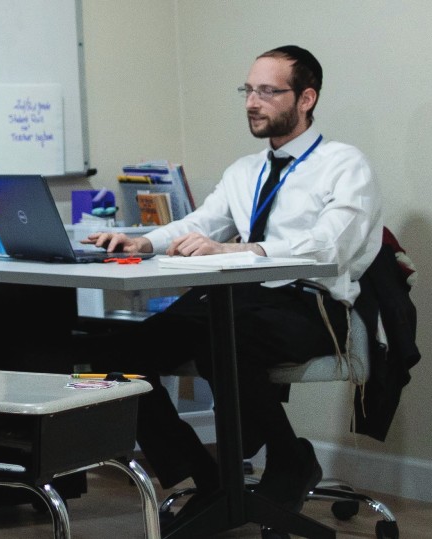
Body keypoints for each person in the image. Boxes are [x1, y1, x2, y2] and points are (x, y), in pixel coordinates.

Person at [84, 45, 381, 508]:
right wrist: (144, 243)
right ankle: (205, 475)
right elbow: (202, 223)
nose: (252, 102)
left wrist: (242, 249)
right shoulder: (246, 170)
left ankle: (288, 460)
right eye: (248, 90)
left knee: (222, 340)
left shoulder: (344, 165)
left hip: (311, 306)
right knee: (115, 355)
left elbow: (330, 246)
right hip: (240, 301)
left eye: (267, 92)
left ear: (306, 99)